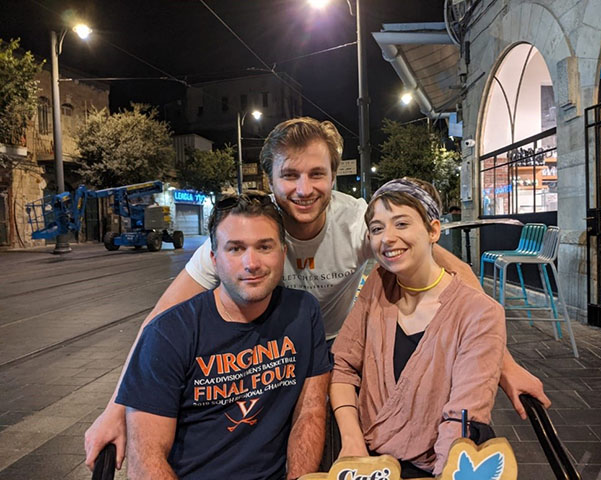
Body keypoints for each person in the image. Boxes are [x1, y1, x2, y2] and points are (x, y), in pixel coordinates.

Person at [84, 117, 549, 471]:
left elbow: (454, 273)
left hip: (329, 353)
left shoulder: (358, 223)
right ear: (270, 180)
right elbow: (158, 324)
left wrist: (502, 365)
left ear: (334, 174)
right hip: (266, 356)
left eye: (317, 174)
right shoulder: (248, 235)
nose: (304, 189)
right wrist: (115, 409)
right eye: (290, 175)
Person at [116, 192, 332, 479]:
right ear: (214, 259)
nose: (251, 263)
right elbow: (146, 462)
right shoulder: (169, 334)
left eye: (264, 247)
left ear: (283, 252)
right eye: (235, 249)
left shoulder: (303, 313)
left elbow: (311, 411)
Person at [330, 178, 505, 477]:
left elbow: (462, 417)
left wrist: (444, 472)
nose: (387, 238)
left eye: (401, 224)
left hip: (435, 466)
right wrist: (352, 442)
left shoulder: (479, 313)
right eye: (377, 228)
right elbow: (343, 367)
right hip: (367, 462)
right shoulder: (378, 285)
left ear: (433, 230)